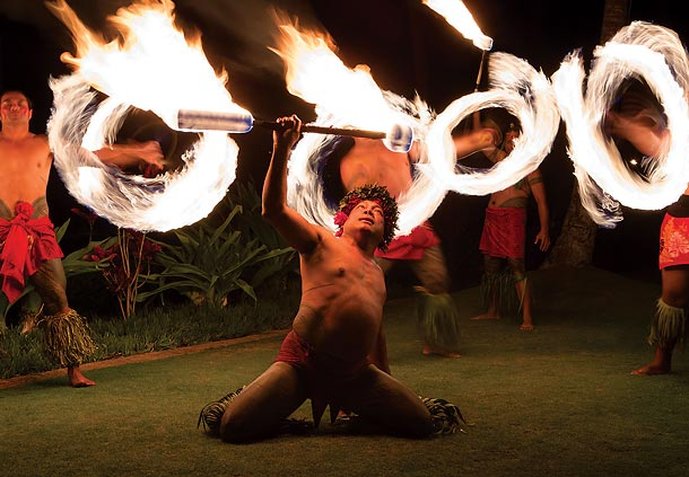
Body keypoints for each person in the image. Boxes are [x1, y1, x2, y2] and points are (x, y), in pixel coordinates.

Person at [198, 115, 462, 442]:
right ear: (343, 218)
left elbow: (375, 335)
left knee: (421, 423)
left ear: (384, 233)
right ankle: (265, 399)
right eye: (362, 208)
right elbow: (274, 210)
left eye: (378, 213)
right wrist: (283, 147)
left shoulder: (377, 274)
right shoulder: (320, 243)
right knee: (233, 427)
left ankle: (355, 408)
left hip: (354, 374)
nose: (370, 211)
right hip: (301, 363)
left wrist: (385, 383)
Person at [0, 89, 164, 386]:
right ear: (0, 112)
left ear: (29, 112)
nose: (13, 107)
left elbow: (94, 156)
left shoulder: (44, 145)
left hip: (38, 233)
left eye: (20, 103)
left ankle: (74, 371)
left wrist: (138, 151)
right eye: (7, 103)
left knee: (58, 301)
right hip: (0, 231)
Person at [319, 127, 498, 357]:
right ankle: (353, 347)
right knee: (360, 289)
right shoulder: (350, 162)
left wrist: (476, 140)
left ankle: (437, 342)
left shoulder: (398, 145)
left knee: (437, 282)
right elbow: (358, 205)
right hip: (381, 233)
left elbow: (440, 153)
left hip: (415, 226)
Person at [604, 81, 688, 375]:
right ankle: (662, 360)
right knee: (674, 295)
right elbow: (656, 143)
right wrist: (623, 124)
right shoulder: (678, 130)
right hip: (683, 217)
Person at [469, 121, 551, 331]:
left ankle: (527, 318)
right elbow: (481, 140)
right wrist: (477, 112)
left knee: (516, 265)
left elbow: (541, 201)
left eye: (515, 139)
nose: (510, 142)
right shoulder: (500, 160)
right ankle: (493, 310)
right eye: (508, 139)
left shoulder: (530, 169)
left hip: (513, 218)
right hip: (492, 216)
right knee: (491, 265)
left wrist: (544, 230)